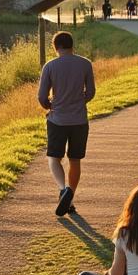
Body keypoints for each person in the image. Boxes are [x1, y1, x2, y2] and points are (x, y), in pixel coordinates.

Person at [37, 30, 96, 216]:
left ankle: (63, 189)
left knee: (54, 158)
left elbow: (41, 96)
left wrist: (50, 106)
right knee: (75, 159)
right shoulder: (85, 64)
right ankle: (71, 194)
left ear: (55, 47)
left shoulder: (50, 66)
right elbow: (91, 92)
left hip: (57, 120)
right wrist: (79, 102)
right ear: (72, 45)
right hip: (79, 120)